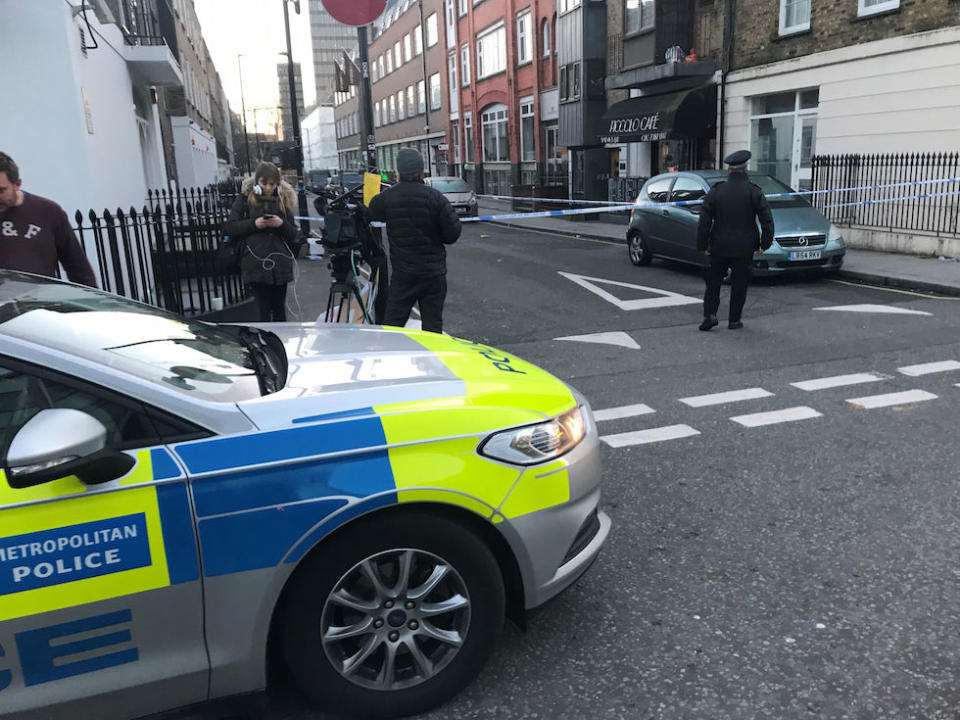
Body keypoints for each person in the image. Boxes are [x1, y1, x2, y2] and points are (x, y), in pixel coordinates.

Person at [368, 148, 461, 333]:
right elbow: (452, 234)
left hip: (404, 274)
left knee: (393, 325)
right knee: (432, 326)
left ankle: (393, 359)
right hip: (433, 274)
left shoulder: (386, 198)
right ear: (421, 170)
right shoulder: (436, 198)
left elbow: (370, 212)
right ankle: (431, 360)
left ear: (398, 172)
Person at [696, 149, 774, 331]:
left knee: (713, 282)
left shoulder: (717, 190)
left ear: (729, 170)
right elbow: (767, 220)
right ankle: (734, 320)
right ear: (746, 168)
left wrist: (703, 244)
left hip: (719, 245)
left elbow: (704, 220)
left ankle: (710, 315)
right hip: (744, 247)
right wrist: (764, 244)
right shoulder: (754, 192)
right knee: (740, 284)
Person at [0, 151, 97, 287]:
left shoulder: (48, 212)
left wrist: (91, 302)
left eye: (1, 190)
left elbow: (78, 268)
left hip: (40, 302)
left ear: (17, 184)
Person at [223, 162, 303, 322]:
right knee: (261, 313)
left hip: (280, 265)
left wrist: (281, 224)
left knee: (280, 311)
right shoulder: (244, 200)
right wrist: (254, 224)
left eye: (272, 184)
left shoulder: (283, 199)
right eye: (264, 183)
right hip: (255, 265)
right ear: (256, 182)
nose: (268, 188)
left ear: (278, 185)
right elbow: (230, 227)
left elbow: (295, 234)